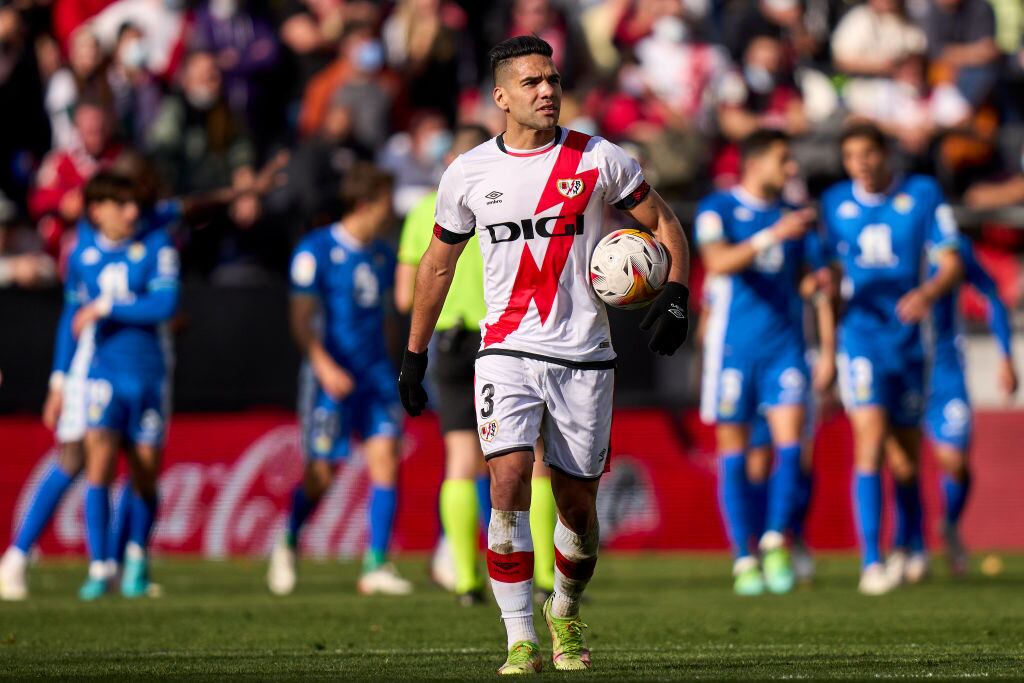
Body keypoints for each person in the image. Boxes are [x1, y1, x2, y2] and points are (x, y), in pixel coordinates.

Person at [397, 35, 690, 674]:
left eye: (552, 79)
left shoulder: (601, 159)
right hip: (504, 351)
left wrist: (675, 294)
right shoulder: (469, 173)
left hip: (585, 355)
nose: (547, 90)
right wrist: (414, 354)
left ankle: (566, 608)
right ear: (501, 96)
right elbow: (438, 266)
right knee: (504, 482)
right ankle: (518, 636)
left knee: (576, 505)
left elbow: (665, 223)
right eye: (531, 82)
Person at [394, 123, 560, 607]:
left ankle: (466, 580)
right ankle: (546, 578)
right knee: (535, 457)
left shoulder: (425, 210)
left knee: (461, 462)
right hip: (507, 338)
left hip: (448, 340)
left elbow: (408, 293)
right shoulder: (509, 193)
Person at [820, 123, 963, 595]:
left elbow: (952, 261)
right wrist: (825, 313)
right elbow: (828, 271)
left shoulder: (922, 194)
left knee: (905, 459)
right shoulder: (834, 203)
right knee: (870, 438)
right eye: (852, 155)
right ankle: (871, 560)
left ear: (886, 155)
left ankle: (912, 543)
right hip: (859, 339)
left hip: (908, 340)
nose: (861, 162)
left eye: (868, 153)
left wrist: (926, 293)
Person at [696, 129, 831, 596]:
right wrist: (773, 234)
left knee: (791, 442)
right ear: (753, 163)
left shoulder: (796, 218)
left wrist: (821, 289)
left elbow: (817, 281)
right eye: (782, 159)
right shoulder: (719, 209)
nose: (791, 168)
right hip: (733, 349)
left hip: (786, 349)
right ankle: (742, 556)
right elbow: (717, 262)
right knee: (733, 451)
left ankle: (776, 538)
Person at [267, 163, 411, 597]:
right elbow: (300, 319)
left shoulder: (383, 255)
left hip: (375, 378)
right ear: (366, 204)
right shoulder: (316, 249)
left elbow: (387, 319)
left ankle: (376, 564)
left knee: (386, 457)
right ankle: (288, 541)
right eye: (386, 203)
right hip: (330, 378)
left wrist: (392, 367)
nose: (391, 213)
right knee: (322, 474)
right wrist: (324, 366)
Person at [59, 170, 179, 600]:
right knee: (99, 466)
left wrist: (107, 306)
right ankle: (100, 565)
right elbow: (68, 320)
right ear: (98, 210)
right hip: (103, 375)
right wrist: (58, 380)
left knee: (145, 473)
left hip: (149, 375)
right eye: (122, 204)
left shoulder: (158, 247)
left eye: (135, 205)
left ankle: (137, 558)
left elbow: (164, 304)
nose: (132, 212)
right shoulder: (81, 255)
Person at [886, 239, 1017, 582]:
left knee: (955, 461)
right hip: (897, 366)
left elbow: (991, 294)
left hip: (945, 372)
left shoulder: (952, 248)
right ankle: (910, 546)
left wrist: (1006, 356)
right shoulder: (882, 236)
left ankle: (950, 524)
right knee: (903, 464)